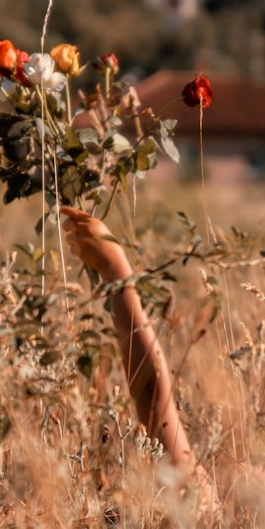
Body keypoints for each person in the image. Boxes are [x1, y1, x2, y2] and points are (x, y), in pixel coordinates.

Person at [61, 207, 216, 512]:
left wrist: (116, 271)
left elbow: (152, 391)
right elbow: (152, 394)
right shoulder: (214, 515)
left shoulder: (204, 510)